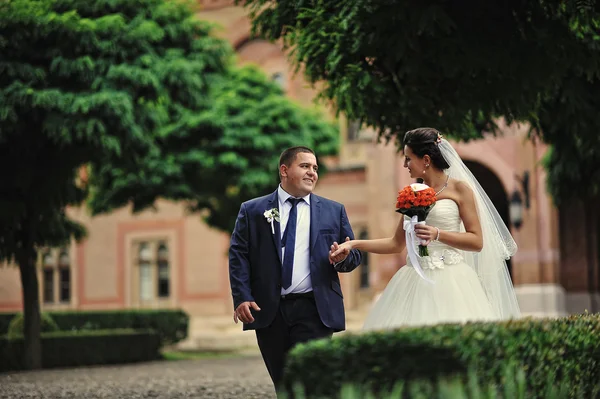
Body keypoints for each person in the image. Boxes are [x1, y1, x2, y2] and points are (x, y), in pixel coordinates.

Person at [329, 128, 520, 330]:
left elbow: (476, 241)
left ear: (426, 160)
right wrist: (353, 243)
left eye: (408, 158)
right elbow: (395, 243)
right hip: (415, 278)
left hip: (452, 281)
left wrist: (438, 234)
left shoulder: (460, 189)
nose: (405, 165)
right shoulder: (412, 193)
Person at [229, 146, 362, 392]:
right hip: (270, 310)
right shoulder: (253, 210)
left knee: (310, 381)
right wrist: (241, 296)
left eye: (315, 168)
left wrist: (342, 258)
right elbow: (238, 255)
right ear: (284, 170)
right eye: (305, 166)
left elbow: (353, 255)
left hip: (315, 308)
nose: (312, 172)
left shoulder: (334, 211)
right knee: (283, 383)